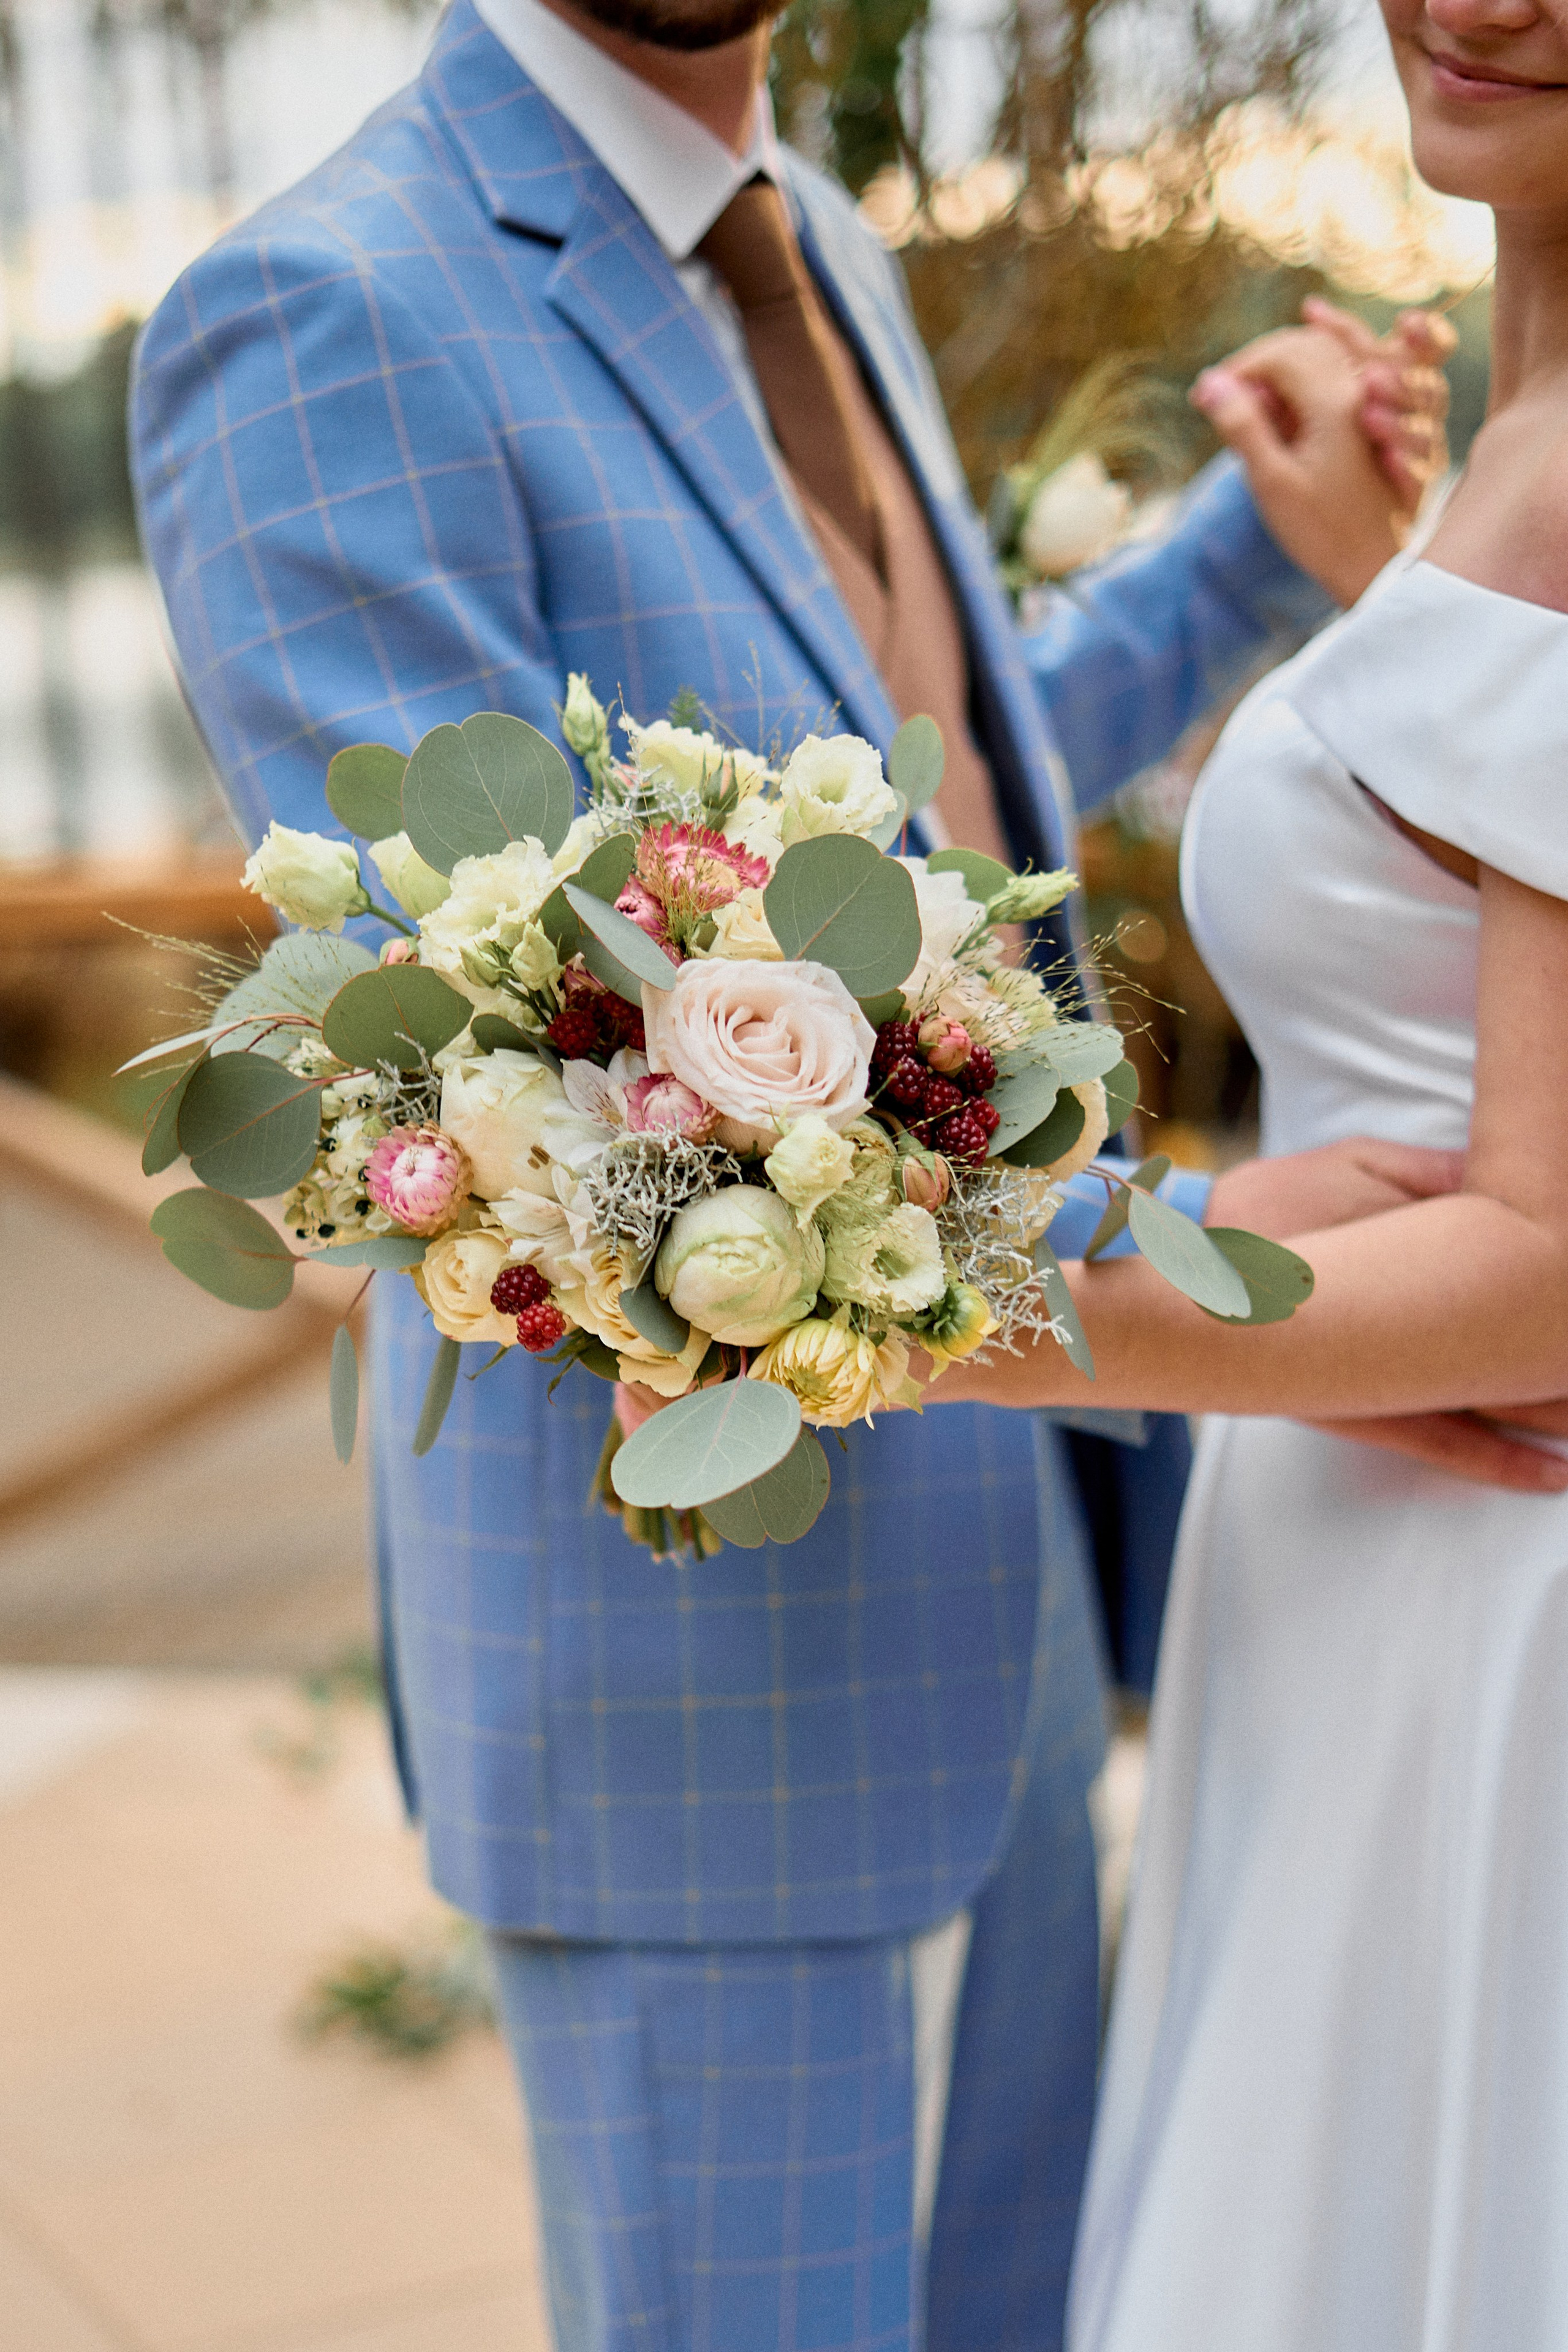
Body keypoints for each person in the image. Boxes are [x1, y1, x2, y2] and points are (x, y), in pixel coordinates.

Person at [127, 3, 1541, 2345]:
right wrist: (1185, 1297)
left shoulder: (826, 259)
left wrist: (1237, 571)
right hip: (702, 1673)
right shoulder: (329, 316)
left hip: (1021, 1616)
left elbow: (909, 835)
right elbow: (511, 1102)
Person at [919, 1, 1568, 2343]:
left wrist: (928, 1313)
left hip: (1475, 1616)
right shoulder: (1526, 445)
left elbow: (1554, 1268)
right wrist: (1372, 570)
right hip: (1344, 1569)